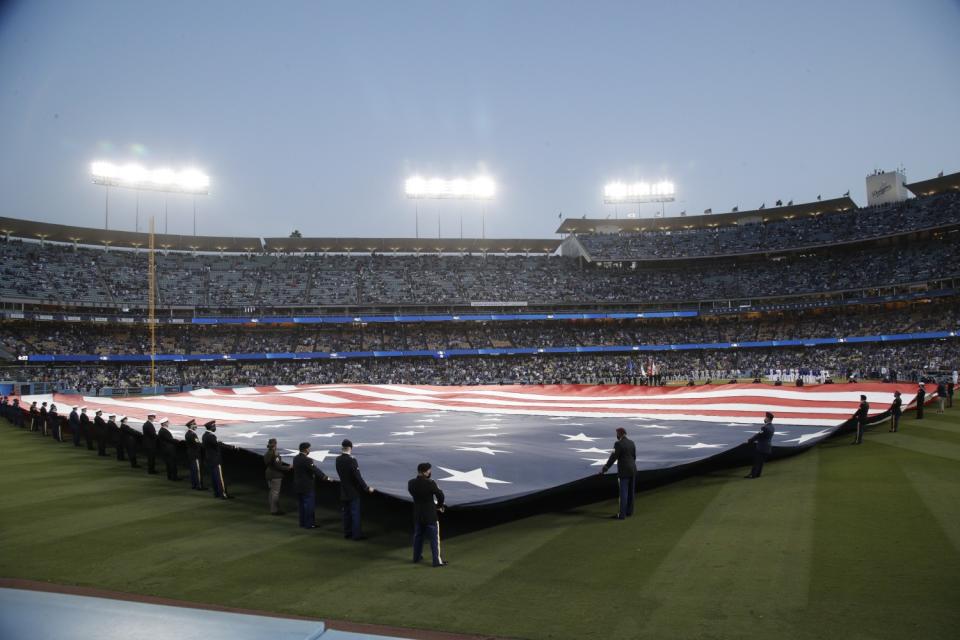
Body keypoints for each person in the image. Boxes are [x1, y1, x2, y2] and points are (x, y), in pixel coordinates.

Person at [408, 462, 447, 567]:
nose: (430, 472)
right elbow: (440, 495)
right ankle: (436, 561)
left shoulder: (410, 483)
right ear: (425, 472)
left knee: (418, 536)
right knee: (434, 538)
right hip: (430, 515)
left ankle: (416, 558)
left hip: (417, 514)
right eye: (429, 470)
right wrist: (439, 506)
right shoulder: (431, 483)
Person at [335, 439, 374, 540]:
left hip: (343, 490)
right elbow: (357, 476)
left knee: (346, 513)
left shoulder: (338, 459)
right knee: (355, 513)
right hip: (353, 491)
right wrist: (366, 487)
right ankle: (356, 535)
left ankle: (347, 533)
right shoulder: (352, 460)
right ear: (350, 448)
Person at [600, 427, 637, 519]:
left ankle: (622, 515)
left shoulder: (617, 444)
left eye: (617, 433)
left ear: (619, 434)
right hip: (633, 470)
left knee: (623, 493)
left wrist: (605, 468)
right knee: (631, 492)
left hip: (624, 471)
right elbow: (634, 456)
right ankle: (629, 512)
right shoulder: (632, 443)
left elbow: (612, 457)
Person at [293, 442, 332, 527]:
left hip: (298, 485)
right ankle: (309, 524)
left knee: (301, 505)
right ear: (306, 449)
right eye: (309, 448)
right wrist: (325, 477)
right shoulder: (307, 460)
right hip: (307, 486)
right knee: (308, 505)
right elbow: (315, 470)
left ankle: (302, 523)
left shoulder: (295, 458)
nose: (309, 450)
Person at [264, 438, 293, 515]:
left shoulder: (267, 453)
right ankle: (274, 510)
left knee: (271, 492)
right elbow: (278, 466)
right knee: (275, 493)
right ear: (275, 444)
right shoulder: (275, 454)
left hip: (268, 474)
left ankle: (272, 508)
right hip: (275, 475)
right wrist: (288, 468)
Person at [202, 420, 229, 499]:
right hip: (216, 460)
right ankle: (223, 494)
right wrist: (232, 447)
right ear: (211, 427)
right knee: (219, 478)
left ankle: (216, 493)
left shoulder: (204, 435)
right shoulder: (211, 436)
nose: (215, 427)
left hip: (209, 459)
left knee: (214, 477)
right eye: (214, 426)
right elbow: (217, 445)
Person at [746, 412, 775, 477]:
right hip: (767, 447)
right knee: (761, 462)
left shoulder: (764, 427)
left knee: (757, 461)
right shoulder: (772, 427)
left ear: (768, 418)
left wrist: (750, 440)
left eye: (765, 417)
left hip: (761, 447)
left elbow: (758, 435)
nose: (764, 418)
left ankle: (753, 475)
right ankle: (758, 474)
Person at [184, 420, 203, 490]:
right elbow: (197, 444)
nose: (196, 425)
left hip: (190, 454)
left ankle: (194, 484)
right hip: (195, 454)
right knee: (197, 470)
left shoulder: (187, 433)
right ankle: (199, 486)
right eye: (194, 424)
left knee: (192, 470)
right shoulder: (193, 434)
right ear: (191, 425)